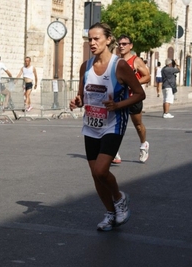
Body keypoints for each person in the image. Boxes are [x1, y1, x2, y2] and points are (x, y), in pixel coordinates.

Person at [69, 22, 145, 231]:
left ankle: (120, 198)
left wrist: (118, 105)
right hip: (91, 124)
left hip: (113, 123)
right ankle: (110, 213)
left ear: (108, 40)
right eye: (89, 39)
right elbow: (82, 96)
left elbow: (140, 93)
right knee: (95, 174)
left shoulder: (119, 65)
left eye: (96, 39)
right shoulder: (85, 66)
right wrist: (76, 102)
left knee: (102, 171)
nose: (92, 43)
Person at [112, 34, 150, 164]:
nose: (121, 46)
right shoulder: (116, 60)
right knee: (114, 125)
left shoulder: (136, 60)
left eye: (124, 44)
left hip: (133, 98)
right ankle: (114, 152)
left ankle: (144, 144)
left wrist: (134, 82)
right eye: (120, 44)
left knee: (138, 125)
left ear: (130, 46)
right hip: (120, 98)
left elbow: (147, 77)